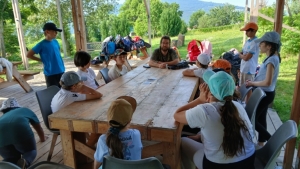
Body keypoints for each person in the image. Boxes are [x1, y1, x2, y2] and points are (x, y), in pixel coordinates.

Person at [174, 70, 255, 169]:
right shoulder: (238, 106)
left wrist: (199, 100)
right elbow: (223, 129)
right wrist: (200, 137)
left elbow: (177, 115)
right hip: (248, 163)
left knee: (182, 141)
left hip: (218, 166)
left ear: (209, 92)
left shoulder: (204, 111)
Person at [246, 31, 281, 148]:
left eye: (262, 43)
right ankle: (261, 143)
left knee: (252, 118)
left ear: (269, 46)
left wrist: (252, 83)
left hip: (265, 93)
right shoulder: (272, 58)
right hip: (266, 93)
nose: (260, 45)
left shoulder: (272, 60)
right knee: (261, 118)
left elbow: (267, 82)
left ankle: (272, 141)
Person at [94, 96, 142, 169]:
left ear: (109, 120)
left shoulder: (103, 139)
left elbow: (97, 163)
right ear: (130, 120)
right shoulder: (136, 134)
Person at [0, 98, 47, 169]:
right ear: (17, 106)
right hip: (20, 132)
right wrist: (42, 139)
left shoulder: (2, 118)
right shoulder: (25, 110)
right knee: (30, 151)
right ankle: (25, 161)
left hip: (2, 139)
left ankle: (6, 165)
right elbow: (38, 128)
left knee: (11, 158)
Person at [27, 22, 65, 88]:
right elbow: (29, 55)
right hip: (50, 73)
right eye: (54, 31)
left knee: (63, 91)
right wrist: (41, 60)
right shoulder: (41, 44)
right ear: (47, 32)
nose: (56, 33)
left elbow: (57, 54)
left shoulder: (56, 42)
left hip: (61, 71)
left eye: (56, 32)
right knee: (53, 93)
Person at [238, 22, 260, 101]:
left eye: (247, 31)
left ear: (253, 31)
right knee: (242, 86)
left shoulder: (255, 42)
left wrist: (241, 56)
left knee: (248, 88)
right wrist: (242, 55)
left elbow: (247, 57)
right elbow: (243, 53)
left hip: (249, 69)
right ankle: (242, 102)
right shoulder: (248, 41)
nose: (246, 33)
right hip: (243, 68)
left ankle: (248, 105)